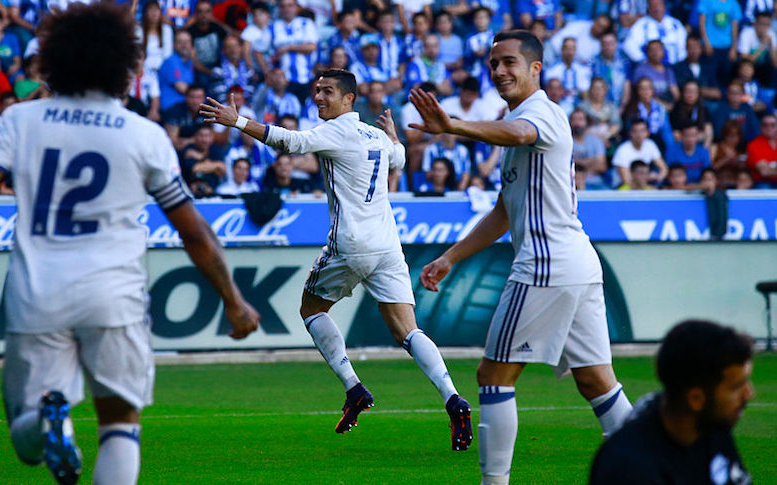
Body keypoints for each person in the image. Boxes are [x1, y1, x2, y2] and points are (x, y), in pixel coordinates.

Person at [0, 5, 260, 485]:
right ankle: (56, 425)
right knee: (120, 425)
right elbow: (194, 231)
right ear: (123, 65)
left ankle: (46, 423)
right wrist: (234, 300)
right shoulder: (144, 135)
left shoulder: (21, 120)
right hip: (113, 296)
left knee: (25, 436)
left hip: (37, 294)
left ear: (56, 60)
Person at [200, 68, 474, 451]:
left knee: (311, 310)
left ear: (349, 99)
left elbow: (290, 143)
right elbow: (397, 158)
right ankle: (453, 399)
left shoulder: (338, 130)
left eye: (328, 91)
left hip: (350, 243)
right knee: (408, 332)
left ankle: (354, 388)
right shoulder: (375, 134)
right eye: (316, 91)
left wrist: (238, 121)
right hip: (387, 246)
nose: (318, 97)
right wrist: (393, 135)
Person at [408, 30, 633, 485]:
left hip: (546, 266)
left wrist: (452, 125)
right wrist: (451, 257)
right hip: (574, 264)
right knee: (596, 383)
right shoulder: (519, 119)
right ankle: (656, 468)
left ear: (536, 68)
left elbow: (519, 133)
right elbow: (502, 212)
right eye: (493, 64)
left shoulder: (540, 115)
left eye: (509, 62)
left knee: (493, 375)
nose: (499, 71)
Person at [590, 320, 754, 485]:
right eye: (736, 387)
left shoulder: (712, 429)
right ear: (695, 399)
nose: (749, 394)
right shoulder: (628, 468)